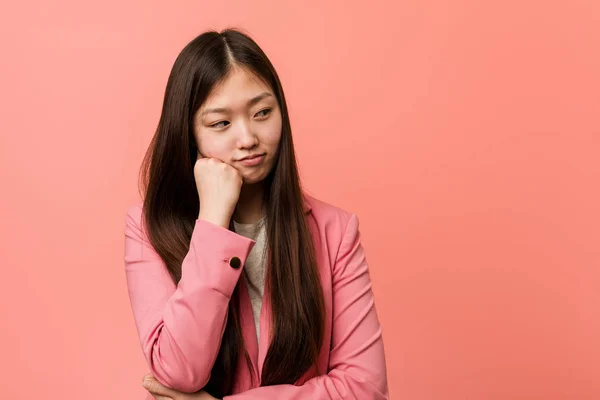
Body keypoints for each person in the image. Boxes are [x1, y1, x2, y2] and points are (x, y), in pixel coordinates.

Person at [123, 28, 389, 400]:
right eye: (221, 123)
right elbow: (180, 371)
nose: (247, 137)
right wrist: (213, 221)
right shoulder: (148, 228)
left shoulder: (335, 231)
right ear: (188, 133)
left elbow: (365, 390)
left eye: (263, 112)